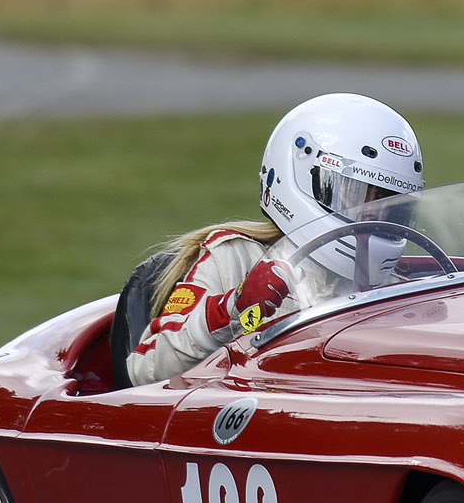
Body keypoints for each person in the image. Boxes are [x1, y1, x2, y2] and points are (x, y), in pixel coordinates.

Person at [125, 93, 425, 386]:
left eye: (390, 206)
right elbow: (144, 370)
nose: (372, 216)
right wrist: (233, 309)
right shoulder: (232, 258)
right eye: (355, 194)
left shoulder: (396, 293)